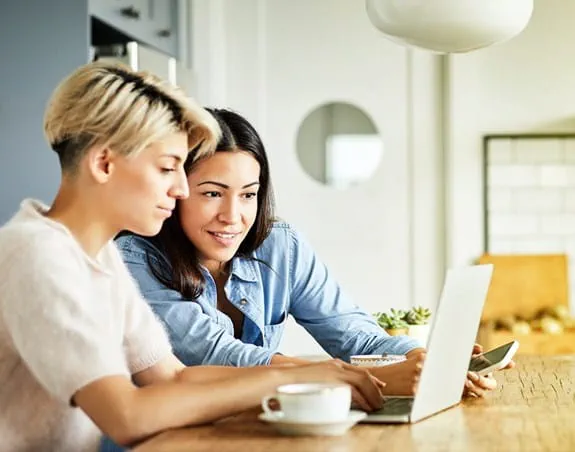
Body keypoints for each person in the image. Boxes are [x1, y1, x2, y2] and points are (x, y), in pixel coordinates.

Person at [0, 62, 386, 452]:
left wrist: (310, 374)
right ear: (103, 163)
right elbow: (127, 416)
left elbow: (171, 377)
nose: (182, 188)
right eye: (168, 168)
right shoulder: (36, 254)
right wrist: (284, 379)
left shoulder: (97, 256)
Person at [116, 108, 502, 398]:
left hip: (254, 425)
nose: (233, 216)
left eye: (248, 194)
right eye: (212, 193)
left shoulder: (279, 245)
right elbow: (211, 354)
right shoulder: (135, 257)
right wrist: (361, 378)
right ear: (178, 190)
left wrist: (425, 361)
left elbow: (356, 337)